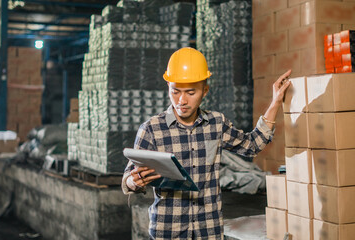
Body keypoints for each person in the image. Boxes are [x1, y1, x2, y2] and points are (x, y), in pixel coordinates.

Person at [122, 47, 291, 239]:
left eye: (190, 92)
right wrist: (133, 181)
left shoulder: (216, 124)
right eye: (175, 91)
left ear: (205, 91)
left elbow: (252, 145)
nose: (182, 100)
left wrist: (275, 102)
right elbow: (128, 178)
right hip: (168, 231)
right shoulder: (151, 129)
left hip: (208, 230)